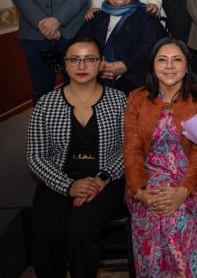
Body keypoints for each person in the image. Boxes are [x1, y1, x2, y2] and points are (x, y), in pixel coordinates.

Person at [27, 36, 126, 277]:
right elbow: (36, 156)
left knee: (80, 229)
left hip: (106, 179)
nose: (81, 66)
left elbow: (128, 149)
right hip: (57, 177)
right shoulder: (46, 104)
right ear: (65, 63)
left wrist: (102, 179)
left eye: (89, 59)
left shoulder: (119, 100)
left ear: (101, 63)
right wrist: (68, 186)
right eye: (74, 60)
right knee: (45, 231)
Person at [123, 38, 197, 276]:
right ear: (153, 65)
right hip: (147, 180)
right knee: (164, 210)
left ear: (187, 66)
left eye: (177, 60)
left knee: (171, 215)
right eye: (162, 60)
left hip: (196, 181)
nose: (169, 66)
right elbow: (132, 149)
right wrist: (139, 192)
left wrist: (183, 190)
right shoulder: (137, 98)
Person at [77, 0, 166, 94]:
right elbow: (77, 47)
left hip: (135, 82)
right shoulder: (95, 17)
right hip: (94, 79)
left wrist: (126, 65)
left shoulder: (146, 16)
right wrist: (95, 65)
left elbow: (151, 48)